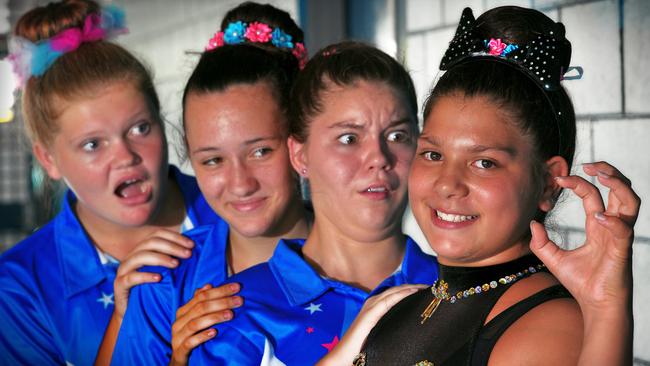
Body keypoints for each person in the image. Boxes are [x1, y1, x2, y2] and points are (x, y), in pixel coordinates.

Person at [318, 6, 639, 366]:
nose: (447, 185)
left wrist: (605, 307)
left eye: (484, 163)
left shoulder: (546, 327)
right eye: (433, 154)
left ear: (548, 183)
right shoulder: (395, 307)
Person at [163, 41, 438, 365]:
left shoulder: (461, 291)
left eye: (397, 136)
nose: (379, 158)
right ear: (299, 155)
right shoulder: (239, 314)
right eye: (349, 138)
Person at [0, 1, 224, 364]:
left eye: (140, 128)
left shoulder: (237, 212)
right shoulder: (21, 288)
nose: (125, 156)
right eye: (92, 144)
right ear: (49, 160)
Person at [109, 3, 313, 365]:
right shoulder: (165, 284)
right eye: (213, 160)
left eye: (261, 151)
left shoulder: (361, 268)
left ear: (301, 140)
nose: (240, 183)